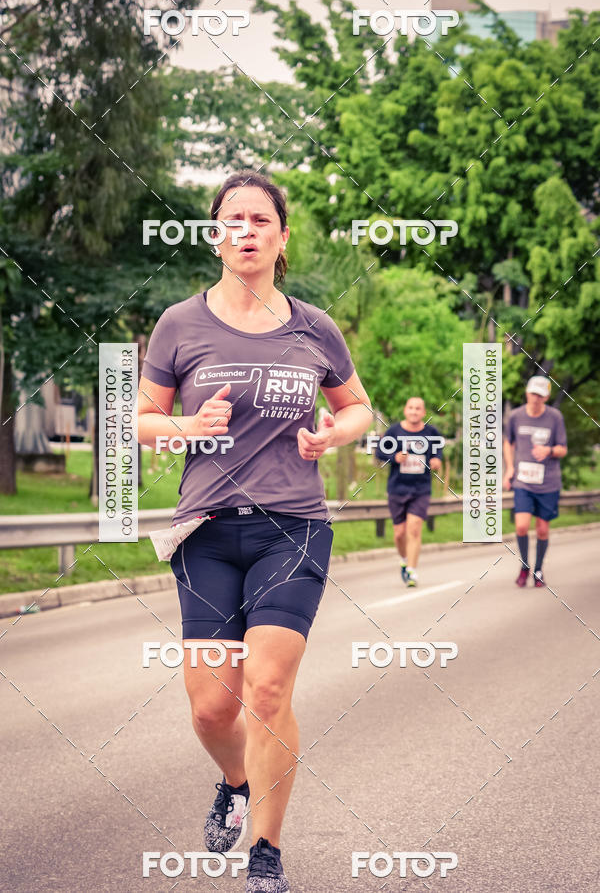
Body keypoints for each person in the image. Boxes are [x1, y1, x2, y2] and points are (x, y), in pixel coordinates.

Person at [137, 171, 372, 893]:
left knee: (266, 691)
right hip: (205, 533)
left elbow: (360, 406)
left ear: (281, 237)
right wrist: (186, 426)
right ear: (216, 236)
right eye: (233, 219)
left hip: (292, 528)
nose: (246, 230)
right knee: (213, 706)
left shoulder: (313, 325)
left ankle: (266, 852)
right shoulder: (180, 323)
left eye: (260, 220)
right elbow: (141, 421)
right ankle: (234, 782)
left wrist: (335, 436)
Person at [503, 376, 567, 588]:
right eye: (533, 393)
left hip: (548, 482)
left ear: (546, 396)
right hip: (523, 482)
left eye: (540, 394)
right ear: (527, 393)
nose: (536, 398)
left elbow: (562, 449)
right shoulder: (516, 416)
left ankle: (538, 569)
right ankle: (524, 565)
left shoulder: (555, 417)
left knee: (541, 530)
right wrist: (510, 468)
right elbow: (507, 443)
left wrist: (548, 450)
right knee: (521, 526)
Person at [374, 397, 444, 587]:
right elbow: (379, 452)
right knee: (399, 533)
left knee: (413, 529)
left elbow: (438, 452)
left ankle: (412, 571)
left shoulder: (431, 433)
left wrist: (437, 461)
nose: (414, 411)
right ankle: (404, 559)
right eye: (411, 408)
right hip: (397, 488)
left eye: (418, 408)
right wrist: (394, 456)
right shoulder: (394, 431)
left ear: (423, 413)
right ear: (406, 410)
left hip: (421, 488)